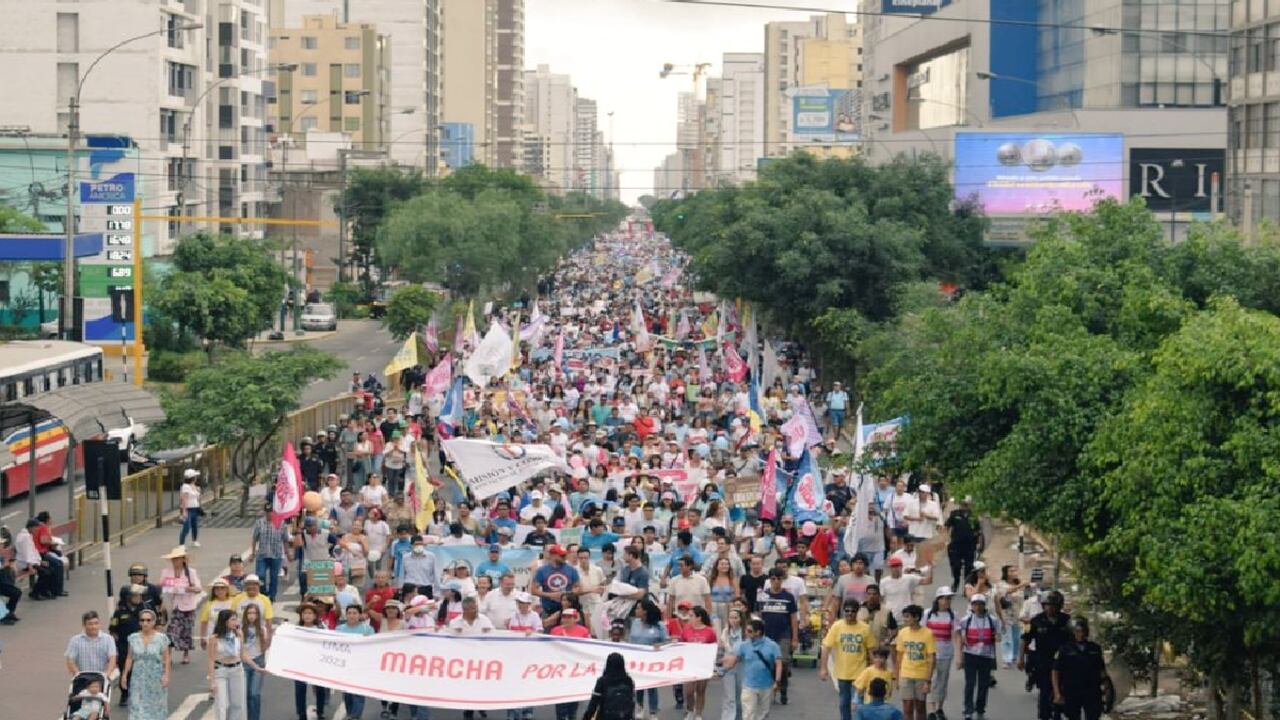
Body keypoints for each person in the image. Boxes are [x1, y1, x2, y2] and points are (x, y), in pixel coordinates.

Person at [1021, 590, 1072, 720]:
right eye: (1047, 605)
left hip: (1062, 663)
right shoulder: (1036, 620)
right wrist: (1020, 658)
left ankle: (1058, 713)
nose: (1050, 608)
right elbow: (1025, 639)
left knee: (1062, 689)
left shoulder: (1067, 621)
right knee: (1045, 691)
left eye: (1053, 605)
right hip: (1043, 661)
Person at [820, 599, 875, 720]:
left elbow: (871, 650)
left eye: (853, 611)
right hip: (842, 673)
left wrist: (875, 670)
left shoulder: (865, 628)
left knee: (857, 704)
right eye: (847, 611)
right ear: (843, 611)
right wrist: (823, 668)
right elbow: (826, 647)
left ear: (857, 612)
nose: (849, 613)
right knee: (844, 703)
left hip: (860, 673)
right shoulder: (837, 626)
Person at [721, 618, 782, 720]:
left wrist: (777, 681)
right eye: (746, 630)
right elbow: (734, 661)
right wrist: (722, 671)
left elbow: (779, 664)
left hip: (766, 685)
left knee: (763, 714)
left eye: (749, 631)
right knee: (748, 714)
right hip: (749, 686)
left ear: (758, 632)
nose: (746, 633)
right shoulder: (744, 645)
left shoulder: (772, 645)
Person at [208, 608, 262, 720]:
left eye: (236, 619)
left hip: (237, 670)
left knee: (238, 704)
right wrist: (212, 681)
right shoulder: (214, 638)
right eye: (233, 620)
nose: (236, 622)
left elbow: (243, 655)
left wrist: (256, 667)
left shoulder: (238, 634)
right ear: (225, 621)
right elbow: (211, 660)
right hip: (220, 671)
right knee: (221, 705)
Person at [956, 593, 1002, 720]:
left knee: (983, 684)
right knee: (970, 683)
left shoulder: (992, 620)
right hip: (970, 655)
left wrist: (996, 637)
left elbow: (999, 635)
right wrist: (959, 657)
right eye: (975, 604)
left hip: (986, 656)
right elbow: (959, 636)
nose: (977, 607)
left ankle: (980, 707)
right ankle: (968, 709)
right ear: (971, 606)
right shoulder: (966, 620)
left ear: (984, 605)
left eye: (980, 604)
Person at [1052, 618, 1108, 720]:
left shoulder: (1095, 648)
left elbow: (1101, 670)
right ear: (1072, 632)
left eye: (1083, 631)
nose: (1081, 634)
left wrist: (1107, 689)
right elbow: (1055, 671)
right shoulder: (1064, 649)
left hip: (1092, 690)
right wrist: (1057, 693)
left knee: (1093, 715)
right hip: (1072, 690)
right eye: (1077, 631)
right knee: (1073, 716)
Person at [757, 568, 799, 705]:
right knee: (768, 663)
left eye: (778, 579)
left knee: (784, 662)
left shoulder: (788, 597)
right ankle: (770, 689)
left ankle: (783, 689)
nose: (776, 581)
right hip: (766, 635)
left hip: (783, 634)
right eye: (773, 579)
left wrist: (794, 638)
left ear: (782, 580)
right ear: (769, 580)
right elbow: (759, 616)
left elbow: (793, 618)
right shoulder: (763, 595)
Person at [121, 607, 170, 720]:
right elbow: (129, 658)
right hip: (138, 678)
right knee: (137, 708)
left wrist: (166, 675)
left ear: (153, 622)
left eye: (148, 620)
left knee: (156, 709)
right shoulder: (133, 638)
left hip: (156, 678)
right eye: (142, 620)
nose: (145, 623)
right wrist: (124, 675)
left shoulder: (162, 638)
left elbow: (166, 659)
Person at [160, 545, 202, 665]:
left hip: (188, 606)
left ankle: (186, 653)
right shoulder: (167, 572)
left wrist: (190, 589)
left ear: (183, 559)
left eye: (178, 559)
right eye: (174, 559)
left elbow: (198, 588)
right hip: (175, 606)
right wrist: (170, 589)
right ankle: (168, 656)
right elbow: (162, 586)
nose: (175, 561)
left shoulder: (191, 573)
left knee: (187, 631)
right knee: (171, 631)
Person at [627, 599, 669, 719]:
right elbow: (631, 640)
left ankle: (653, 711)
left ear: (645, 611)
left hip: (652, 661)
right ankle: (639, 707)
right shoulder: (635, 622)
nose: (636, 610)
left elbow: (666, 641)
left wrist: (660, 645)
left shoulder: (659, 625)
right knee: (638, 685)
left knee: (651, 686)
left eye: (638, 608)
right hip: (637, 660)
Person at [893, 605, 936, 720]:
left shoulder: (928, 633)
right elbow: (899, 656)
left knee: (921, 707)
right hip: (906, 675)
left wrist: (928, 681)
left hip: (921, 676)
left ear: (916, 617)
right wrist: (896, 677)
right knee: (907, 707)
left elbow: (931, 658)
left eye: (907, 617)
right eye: (904, 617)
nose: (905, 619)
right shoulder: (902, 633)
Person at [924, 587, 960, 720]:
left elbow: (956, 635)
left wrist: (959, 656)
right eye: (943, 598)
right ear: (937, 600)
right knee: (931, 680)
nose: (946, 601)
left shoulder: (953, 615)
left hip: (945, 653)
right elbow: (921, 633)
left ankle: (939, 707)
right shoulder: (928, 614)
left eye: (948, 598)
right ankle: (931, 709)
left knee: (942, 681)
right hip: (929, 654)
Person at [335, 604, 375, 719]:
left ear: (360, 615)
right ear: (346, 615)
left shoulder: (367, 629)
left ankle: (355, 716)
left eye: (355, 613)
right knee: (347, 695)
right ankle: (351, 713)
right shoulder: (339, 629)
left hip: (360, 667)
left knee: (358, 694)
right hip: (345, 667)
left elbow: (373, 647)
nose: (352, 615)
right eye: (349, 613)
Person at [293, 603, 330, 720]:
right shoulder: (295, 628)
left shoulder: (321, 627)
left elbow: (329, 641)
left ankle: (320, 711)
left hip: (317, 662)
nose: (307, 616)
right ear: (301, 616)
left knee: (320, 688)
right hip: (300, 663)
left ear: (315, 616)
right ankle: (301, 713)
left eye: (310, 613)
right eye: (305, 613)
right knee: (300, 689)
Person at [680, 606, 718, 720]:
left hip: (703, 665)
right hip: (690, 664)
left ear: (699, 618)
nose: (688, 618)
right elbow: (681, 645)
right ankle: (690, 710)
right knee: (689, 691)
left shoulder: (709, 631)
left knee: (701, 690)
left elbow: (713, 647)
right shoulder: (686, 629)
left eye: (691, 616)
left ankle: (698, 713)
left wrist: (712, 665)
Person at [581, 651, 636, 720]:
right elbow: (632, 702)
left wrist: (586, 717)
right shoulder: (628, 681)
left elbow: (593, 703)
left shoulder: (602, 681)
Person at [251, 503, 288, 601]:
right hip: (262, 554)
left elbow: (285, 539)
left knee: (274, 577)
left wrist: (287, 553)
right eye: (267, 512)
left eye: (271, 512)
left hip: (276, 554)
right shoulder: (259, 523)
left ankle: (272, 596)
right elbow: (255, 538)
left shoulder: (281, 523)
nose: (269, 514)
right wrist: (253, 552)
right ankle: (263, 593)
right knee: (260, 575)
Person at [240, 604, 271, 720]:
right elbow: (239, 649)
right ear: (245, 615)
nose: (252, 616)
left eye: (254, 613)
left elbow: (264, 648)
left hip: (258, 660)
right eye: (249, 613)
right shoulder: (240, 629)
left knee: (254, 693)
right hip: (244, 663)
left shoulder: (262, 629)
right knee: (246, 694)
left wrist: (266, 639)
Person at [66, 610, 118, 677]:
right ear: (84, 625)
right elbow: (70, 660)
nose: (94, 627)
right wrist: (77, 673)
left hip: (102, 677)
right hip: (82, 677)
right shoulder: (75, 640)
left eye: (96, 623)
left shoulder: (108, 639)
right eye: (90, 624)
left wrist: (107, 674)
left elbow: (112, 659)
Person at [531, 544, 580, 615]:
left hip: (568, 609)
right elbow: (534, 590)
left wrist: (567, 595)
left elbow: (578, 587)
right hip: (549, 609)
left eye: (565, 555)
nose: (564, 558)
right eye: (562, 556)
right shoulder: (541, 571)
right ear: (553, 555)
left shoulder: (572, 570)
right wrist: (550, 595)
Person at [943, 499, 980, 590]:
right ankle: (956, 581)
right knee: (955, 565)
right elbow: (946, 526)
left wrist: (978, 542)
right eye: (963, 504)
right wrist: (946, 539)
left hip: (969, 545)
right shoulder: (954, 514)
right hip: (956, 544)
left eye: (966, 505)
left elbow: (978, 530)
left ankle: (966, 586)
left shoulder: (974, 516)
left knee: (969, 566)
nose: (964, 507)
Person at [717, 608, 746, 720]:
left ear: (740, 619)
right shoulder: (725, 632)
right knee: (729, 697)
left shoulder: (745, 632)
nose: (733, 620)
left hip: (742, 666)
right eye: (731, 618)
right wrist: (718, 667)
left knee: (740, 695)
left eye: (735, 618)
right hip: (728, 667)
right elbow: (721, 650)